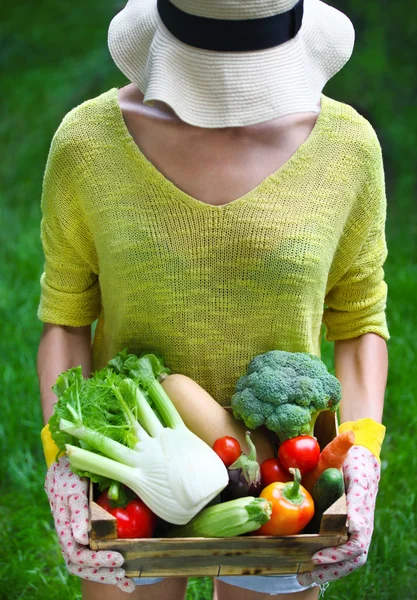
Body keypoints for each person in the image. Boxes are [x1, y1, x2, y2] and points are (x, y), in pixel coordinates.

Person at [38, 0, 389, 598]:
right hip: (134, 467)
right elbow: (66, 316)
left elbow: (359, 319)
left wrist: (362, 449)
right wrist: (64, 457)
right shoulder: (87, 144)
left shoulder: (348, 149)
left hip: (286, 475)